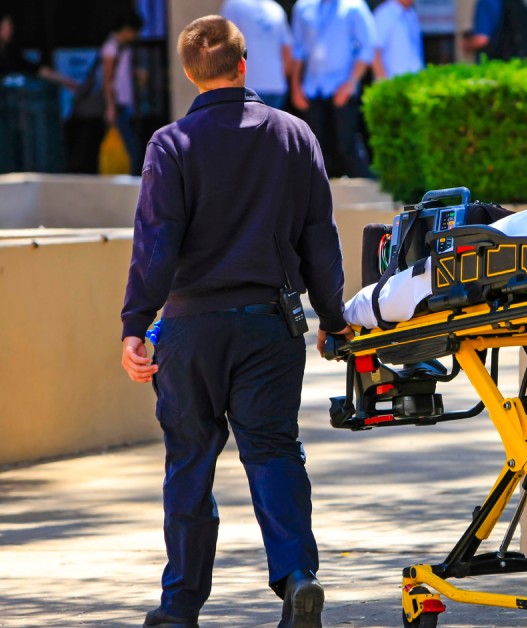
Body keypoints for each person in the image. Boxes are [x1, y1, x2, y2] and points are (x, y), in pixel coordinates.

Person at [120, 15, 352, 628]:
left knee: (190, 461)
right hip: (270, 326)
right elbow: (319, 239)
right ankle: (298, 577)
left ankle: (180, 607)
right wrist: (334, 317)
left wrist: (135, 325)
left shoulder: (170, 144)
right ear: (245, 63)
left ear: (191, 75)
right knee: (274, 452)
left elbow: (155, 244)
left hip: (192, 330)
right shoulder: (295, 135)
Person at [290, 0, 376, 178]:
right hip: (313, 88)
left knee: (347, 145)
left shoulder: (354, 6)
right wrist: (295, 87)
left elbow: (367, 49)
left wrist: (351, 83)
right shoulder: (303, 6)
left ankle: (366, 195)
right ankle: (319, 200)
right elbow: (298, 50)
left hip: (343, 89)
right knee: (315, 148)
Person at [220, 0, 293, 109]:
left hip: (246, 85)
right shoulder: (276, 8)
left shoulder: (233, 5)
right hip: (275, 86)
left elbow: (224, 43)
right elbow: (287, 48)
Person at [100, 11, 145, 174]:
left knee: (132, 149)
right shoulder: (111, 47)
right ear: (126, 29)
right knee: (131, 150)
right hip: (118, 104)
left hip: (126, 103)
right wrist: (110, 107)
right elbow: (107, 79)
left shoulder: (124, 48)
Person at [0, 14, 80, 88]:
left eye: (11, 26)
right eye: (7, 26)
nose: (11, 29)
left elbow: (36, 69)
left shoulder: (12, 53)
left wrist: (66, 81)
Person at [462, 0, 527, 62]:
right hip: (520, 66)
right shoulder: (518, 4)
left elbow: (482, 40)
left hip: (495, 68)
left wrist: (467, 44)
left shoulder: (486, 2)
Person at [372, 0, 424, 79]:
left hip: (414, 83)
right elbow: (374, 52)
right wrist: (384, 84)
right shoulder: (384, 13)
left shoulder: (411, 13)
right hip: (393, 85)